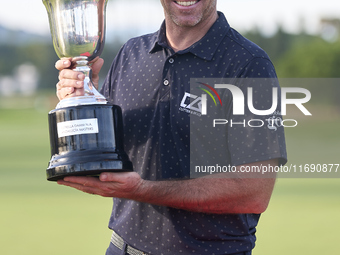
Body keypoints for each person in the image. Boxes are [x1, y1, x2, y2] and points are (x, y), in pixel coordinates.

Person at [55, 1, 287, 254]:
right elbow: (102, 151)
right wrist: (82, 99)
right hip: (122, 248)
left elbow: (253, 192)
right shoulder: (131, 53)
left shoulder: (249, 64)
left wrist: (143, 190)